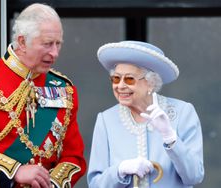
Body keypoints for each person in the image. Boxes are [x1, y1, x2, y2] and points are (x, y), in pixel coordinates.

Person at [0, 3, 86, 188]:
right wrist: (15, 171)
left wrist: (50, 183)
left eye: (58, 44)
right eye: (47, 44)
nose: (54, 53)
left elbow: (74, 157)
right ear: (22, 42)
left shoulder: (63, 88)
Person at [87, 40, 204, 188]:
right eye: (116, 78)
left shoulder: (183, 112)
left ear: (151, 83)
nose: (120, 86)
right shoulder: (106, 119)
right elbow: (95, 184)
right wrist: (120, 170)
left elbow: (194, 176)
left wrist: (170, 137)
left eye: (129, 79)